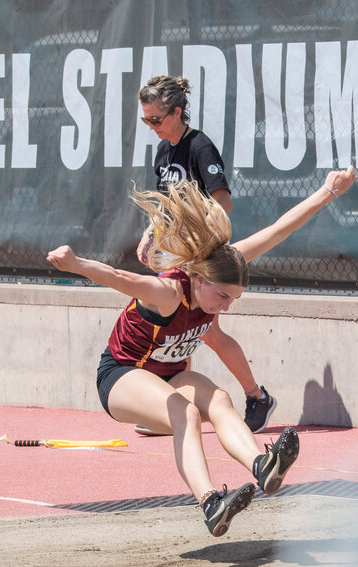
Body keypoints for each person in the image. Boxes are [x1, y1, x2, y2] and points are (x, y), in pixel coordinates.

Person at [47, 165, 357, 537]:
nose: (226, 305)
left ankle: (262, 465)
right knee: (186, 412)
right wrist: (75, 263)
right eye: (222, 296)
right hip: (122, 374)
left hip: (170, 373)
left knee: (221, 399)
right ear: (198, 278)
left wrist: (328, 190)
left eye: (234, 298)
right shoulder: (168, 293)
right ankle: (211, 502)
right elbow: (120, 277)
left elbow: (277, 231)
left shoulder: (224, 265)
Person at [137, 75, 276, 433]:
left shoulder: (200, 146)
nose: (151, 126)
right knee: (181, 327)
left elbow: (223, 202)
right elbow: (166, 204)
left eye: (156, 119)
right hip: (175, 254)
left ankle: (257, 397)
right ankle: (173, 406)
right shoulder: (163, 151)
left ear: (177, 112)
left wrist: (198, 246)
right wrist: (150, 234)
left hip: (201, 256)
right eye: (145, 120)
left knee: (206, 333)